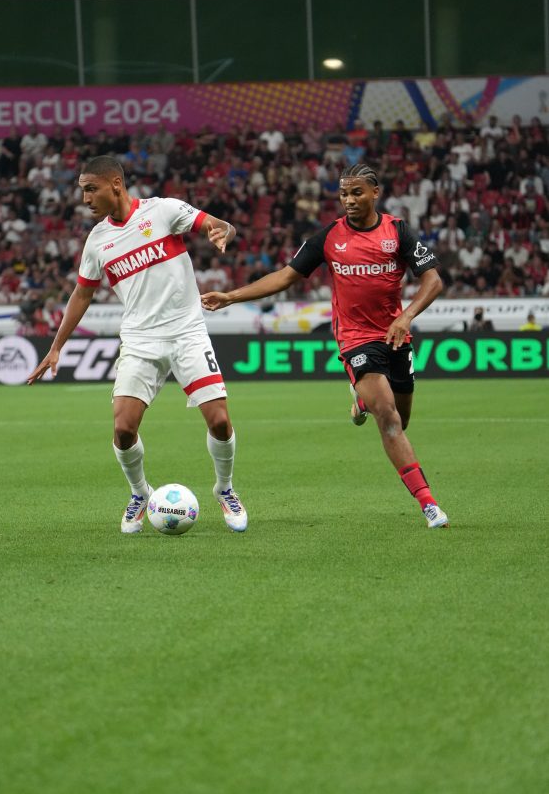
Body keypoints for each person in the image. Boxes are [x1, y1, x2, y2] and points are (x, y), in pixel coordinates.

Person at [202, 162, 450, 530]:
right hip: (355, 340)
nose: (348, 200)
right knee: (389, 417)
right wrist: (232, 296)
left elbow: (433, 280)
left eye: (356, 192)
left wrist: (406, 316)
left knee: (402, 417)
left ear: (375, 193)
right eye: (344, 193)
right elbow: (285, 276)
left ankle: (360, 401)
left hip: (396, 336)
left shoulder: (397, 232)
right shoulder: (329, 237)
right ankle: (429, 504)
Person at [27, 156, 248, 535]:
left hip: (187, 332)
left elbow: (217, 223)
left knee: (221, 421)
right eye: (82, 190)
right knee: (124, 429)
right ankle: (139, 493)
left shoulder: (163, 211)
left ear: (115, 184)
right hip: (140, 341)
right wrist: (56, 346)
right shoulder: (97, 240)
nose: (85, 198)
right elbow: (82, 295)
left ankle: (225, 488)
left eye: (90, 188)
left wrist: (220, 230)